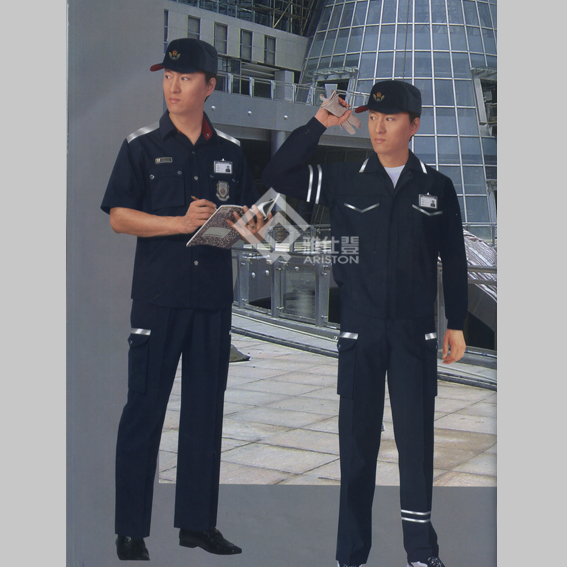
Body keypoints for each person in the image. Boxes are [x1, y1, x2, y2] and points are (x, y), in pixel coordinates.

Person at [262, 80, 468, 567]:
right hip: (360, 330)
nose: (377, 127)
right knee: (356, 446)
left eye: (389, 119)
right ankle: (351, 556)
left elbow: (455, 258)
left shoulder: (437, 187)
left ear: (414, 126)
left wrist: (456, 322)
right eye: (373, 118)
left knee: (416, 443)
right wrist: (319, 123)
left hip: (414, 332)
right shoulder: (343, 178)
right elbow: (277, 172)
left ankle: (421, 552)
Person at [101, 38, 267, 561]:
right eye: (168, 77)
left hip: (212, 301)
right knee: (143, 411)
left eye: (186, 78)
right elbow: (119, 217)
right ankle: (130, 532)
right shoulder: (141, 145)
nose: (173, 87)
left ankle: (197, 526)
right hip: (159, 299)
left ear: (209, 85)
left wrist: (255, 226)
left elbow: (244, 217)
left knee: (204, 413)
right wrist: (178, 223)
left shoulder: (231, 151)